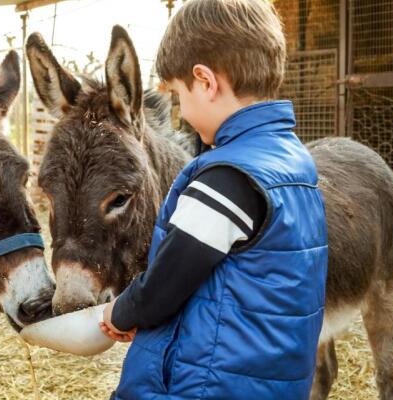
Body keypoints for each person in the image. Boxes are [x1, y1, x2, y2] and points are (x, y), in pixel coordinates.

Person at [99, 0, 329, 398]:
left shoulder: (226, 179)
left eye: (178, 96)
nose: (182, 113)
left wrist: (120, 313)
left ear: (205, 81)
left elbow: (166, 283)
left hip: (207, 385)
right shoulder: (294, 161)